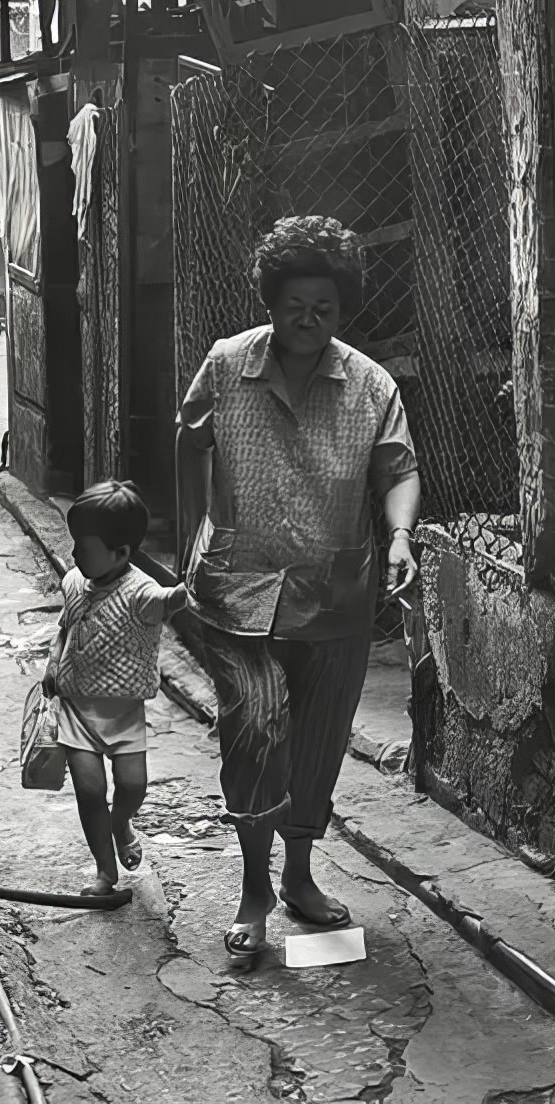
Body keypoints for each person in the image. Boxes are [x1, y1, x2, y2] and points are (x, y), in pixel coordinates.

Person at [177, 215, 421, 964]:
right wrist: (199, 526)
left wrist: (402, 535)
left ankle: (300, 877)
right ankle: (254, 889)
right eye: (294, 306)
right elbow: (190, 439)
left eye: (325, 309)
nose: (308, 321)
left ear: (341, 310)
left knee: (315, 749)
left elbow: (399, 470)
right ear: (271, 302)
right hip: (238, 591)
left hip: (336, 594)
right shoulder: (226, 364)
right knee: (255, 733)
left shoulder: (370, 384)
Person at [42, 480, 189, 895]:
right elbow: (64, 628)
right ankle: (105, 873)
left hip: (123, 713)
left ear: (121, 553)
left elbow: (170, 600)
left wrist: (195, 583)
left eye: (83, 547)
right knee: (90, 792)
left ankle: (121, 822)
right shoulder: (73, 582)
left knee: (132, 786)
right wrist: (54, 662)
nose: (73, 555)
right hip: (75, 707)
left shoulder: (140, 592)